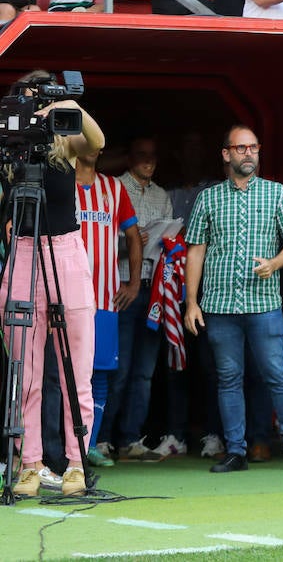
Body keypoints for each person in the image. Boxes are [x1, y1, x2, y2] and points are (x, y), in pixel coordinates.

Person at [183, 125, 283, 473]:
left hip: (264, 304)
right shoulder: (208, 198)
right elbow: (195, 251)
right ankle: (236, 452)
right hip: (219, 306)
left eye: (253, 148)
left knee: (278, 375)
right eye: (240, 148)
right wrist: (191, 302)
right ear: (226, 154)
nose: (248, 154)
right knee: (228, 379)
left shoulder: (277, 193)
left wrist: (275, 263)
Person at [1, 75, 105, 497]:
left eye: (41, 93)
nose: (34, 101)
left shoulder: (64, 142)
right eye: (27, 94)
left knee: (75, 369)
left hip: (64, 249)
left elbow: (96, 143)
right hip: (23, 251)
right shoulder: (10, 145)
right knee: (23, 371)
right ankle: (30, 464)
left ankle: (76, 466)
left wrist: (67, 108)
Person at [110, 134, 182, 460]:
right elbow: (99, 242)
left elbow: (170, 241)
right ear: (129, 158)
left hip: (153, 289)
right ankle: (101, 439)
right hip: (123, 285)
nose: (148, 161)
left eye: (152, 156)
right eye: (141, 155)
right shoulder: (114, 188)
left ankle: (130, 439)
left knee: (144, 372)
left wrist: (165, 239)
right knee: (119, 368)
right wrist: (129, 242)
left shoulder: (162, 195)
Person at [74, 141, 141, 469]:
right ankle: (61, 446)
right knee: (66, 374)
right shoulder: (61, 184)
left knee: (100, 372)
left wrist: (134, 282)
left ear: (101, 150)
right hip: (67, 299)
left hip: (104, 297)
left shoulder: (113, 188)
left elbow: (133, 236)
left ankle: (90, 444)